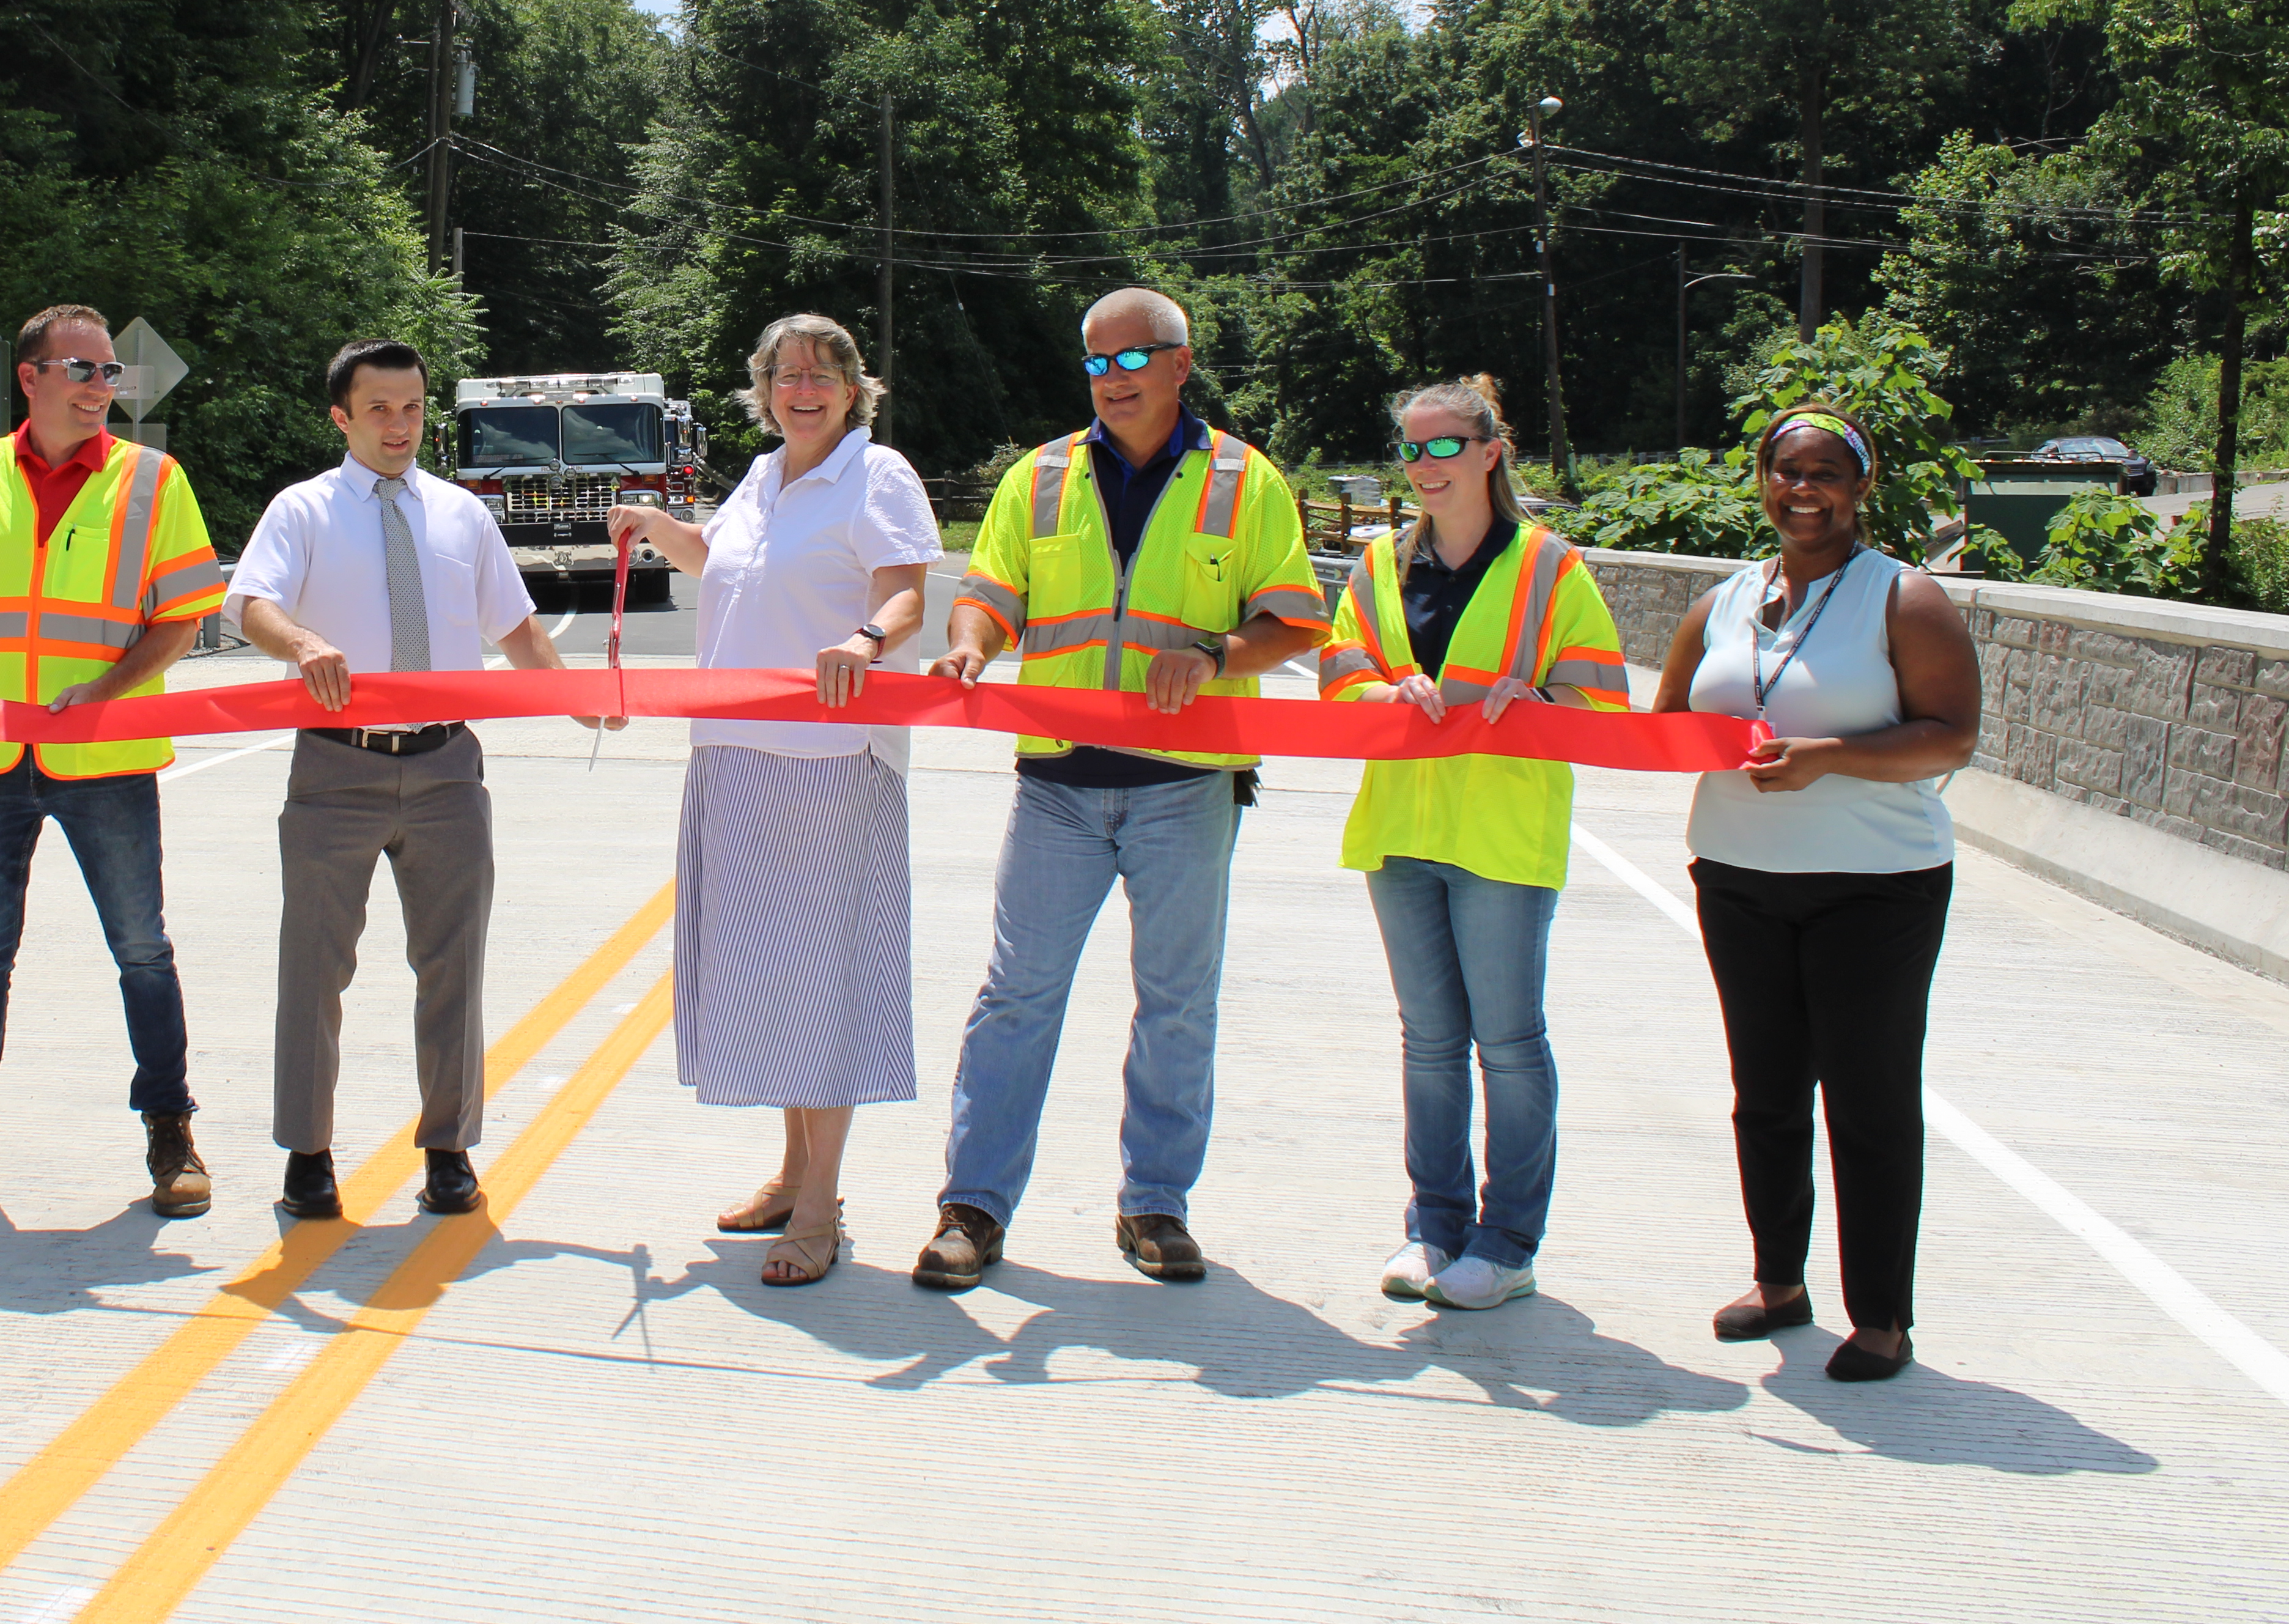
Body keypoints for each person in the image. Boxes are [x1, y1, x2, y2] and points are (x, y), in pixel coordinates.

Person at [918, 288, 1331, 1291]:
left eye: (1132, 360)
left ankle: (1155, 1206)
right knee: (1016, 997)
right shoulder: (1042, 475)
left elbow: (1294, 620)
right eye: (1096, 364)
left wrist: (1216, 649)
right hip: (1057, 782)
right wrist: (968, 649)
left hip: (1187, 788)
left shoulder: (1247, 480)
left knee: (1177, 1004)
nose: (1113, 380)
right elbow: (988, 595)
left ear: (1181, 364)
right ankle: (973, 1207)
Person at [230, 338, 607, 1223]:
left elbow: (515, 628)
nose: (399, 426)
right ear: (341, 417)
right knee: (314, 969)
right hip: (335, 765)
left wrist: (580, 697)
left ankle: (448, 1148)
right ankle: (308, 1153)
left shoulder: (461, 515)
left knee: (453, 967)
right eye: (379, 410)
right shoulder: (303, 511)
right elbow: (249, 603)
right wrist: (303, 644)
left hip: (446, 770)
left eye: (412, 408)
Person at [607, 313, 937, 1287]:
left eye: (821, 374)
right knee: (770, 971)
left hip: (827, 759)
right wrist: (665, 532)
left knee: (820, 975)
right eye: (785, 375)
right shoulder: (763, 475)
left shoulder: (878, 476)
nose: (803, 389)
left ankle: (823, 1205)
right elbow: (730, 563)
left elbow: (906, 590)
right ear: (762, 390)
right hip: (738, 755)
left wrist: (866, 642)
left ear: (853, 387)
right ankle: (793, 1174)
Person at [1655, 403, 1981, 1383]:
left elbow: (1951, 735)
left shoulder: (1903, 598)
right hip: (1740, 880)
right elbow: (1667, 721)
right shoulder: (1723, 601)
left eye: (1827, 473)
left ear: (1861, 486)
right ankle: (1779, 1283)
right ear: (1763, 482)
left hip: (1874, 891)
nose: (1805, 490)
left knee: (1869, 1102)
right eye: (1787, 471)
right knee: (1766, 1097)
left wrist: (1829, 758)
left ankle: (1882, 1316)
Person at [0, 304, 230, 1223]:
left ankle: (171, 1133)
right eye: (81, 371)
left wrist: (113, 687)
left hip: (107, 757)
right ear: (30, 377)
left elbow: (181, 617)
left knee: (142, 951)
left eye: (110, 373)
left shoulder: (153, 481)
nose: (99, 389)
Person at [1316, 375, 1631, 1313]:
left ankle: (1508, 1242)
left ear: (1492, 452)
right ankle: (1434, 1228)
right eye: (1411, 449)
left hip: (1501, 833)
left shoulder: (1549, 568)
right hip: (1402, 827)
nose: (1424, 466)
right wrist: (1382, 695)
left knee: (1509, 1043)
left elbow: (1601, 700)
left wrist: (1540, 702)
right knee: (1429, 1043)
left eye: (1444, 445)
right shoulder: (1379, 565)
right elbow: (1338, 678)